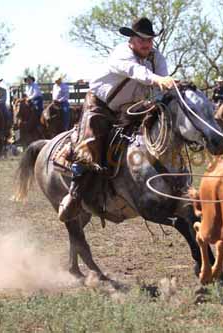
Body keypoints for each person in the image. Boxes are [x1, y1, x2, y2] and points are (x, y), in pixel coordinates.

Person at [58, 17, 176, 222]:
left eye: (150, 40)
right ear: (131, 40)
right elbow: (136, 72)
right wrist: (157, 79)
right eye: (142, 40)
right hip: (100, 104)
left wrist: (161, 96)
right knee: (89, 147)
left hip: (129, 108)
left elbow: (162, 83)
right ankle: (74, 195)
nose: (147, 44)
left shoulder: (157, 58)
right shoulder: (121, 54)